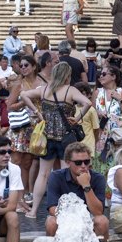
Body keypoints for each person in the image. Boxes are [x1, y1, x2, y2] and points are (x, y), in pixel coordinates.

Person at [20, 61, 91, 219]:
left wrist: (37, 112)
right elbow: (88, 102)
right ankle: (68, 210)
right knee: (67, 174)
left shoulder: (44, 89)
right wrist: (77, 118)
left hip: (47, 137)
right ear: (67, 75)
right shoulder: (70, 91)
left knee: (43, 174)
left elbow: (24, 95)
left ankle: (33, 211)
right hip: (66, 139)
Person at [44, 141, 108, 239]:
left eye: (86, 161)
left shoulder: (98, 178)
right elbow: (52, 209)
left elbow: (98, 212)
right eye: (78, 162)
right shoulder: (56, 176)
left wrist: (86, 185)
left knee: (102, 221)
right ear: (68, 162)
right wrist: (74, 220)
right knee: (51, 222)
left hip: (89, 220)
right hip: (65, 219)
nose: (83, 166)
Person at [93, 63, 122, 161]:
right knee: (100, 164)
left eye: (104, 74)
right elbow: (91, 112)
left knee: (120, 162)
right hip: (101, 134)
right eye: (100, 74)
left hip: (119, 136)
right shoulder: (97, 92)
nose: (100, 76)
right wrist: (97, 113)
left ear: (113, 76)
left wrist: (120, 99)